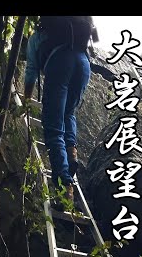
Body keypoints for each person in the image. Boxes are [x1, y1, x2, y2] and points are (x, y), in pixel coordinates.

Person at [24, 16, 97, 209]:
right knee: (68, 114)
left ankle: (64, 189)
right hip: (83, 63)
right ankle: (71, 154)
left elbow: (31, 71)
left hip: (59, 63)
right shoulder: (75, 27)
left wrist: (26, 99)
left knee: (54, 127)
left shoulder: (36, 37)